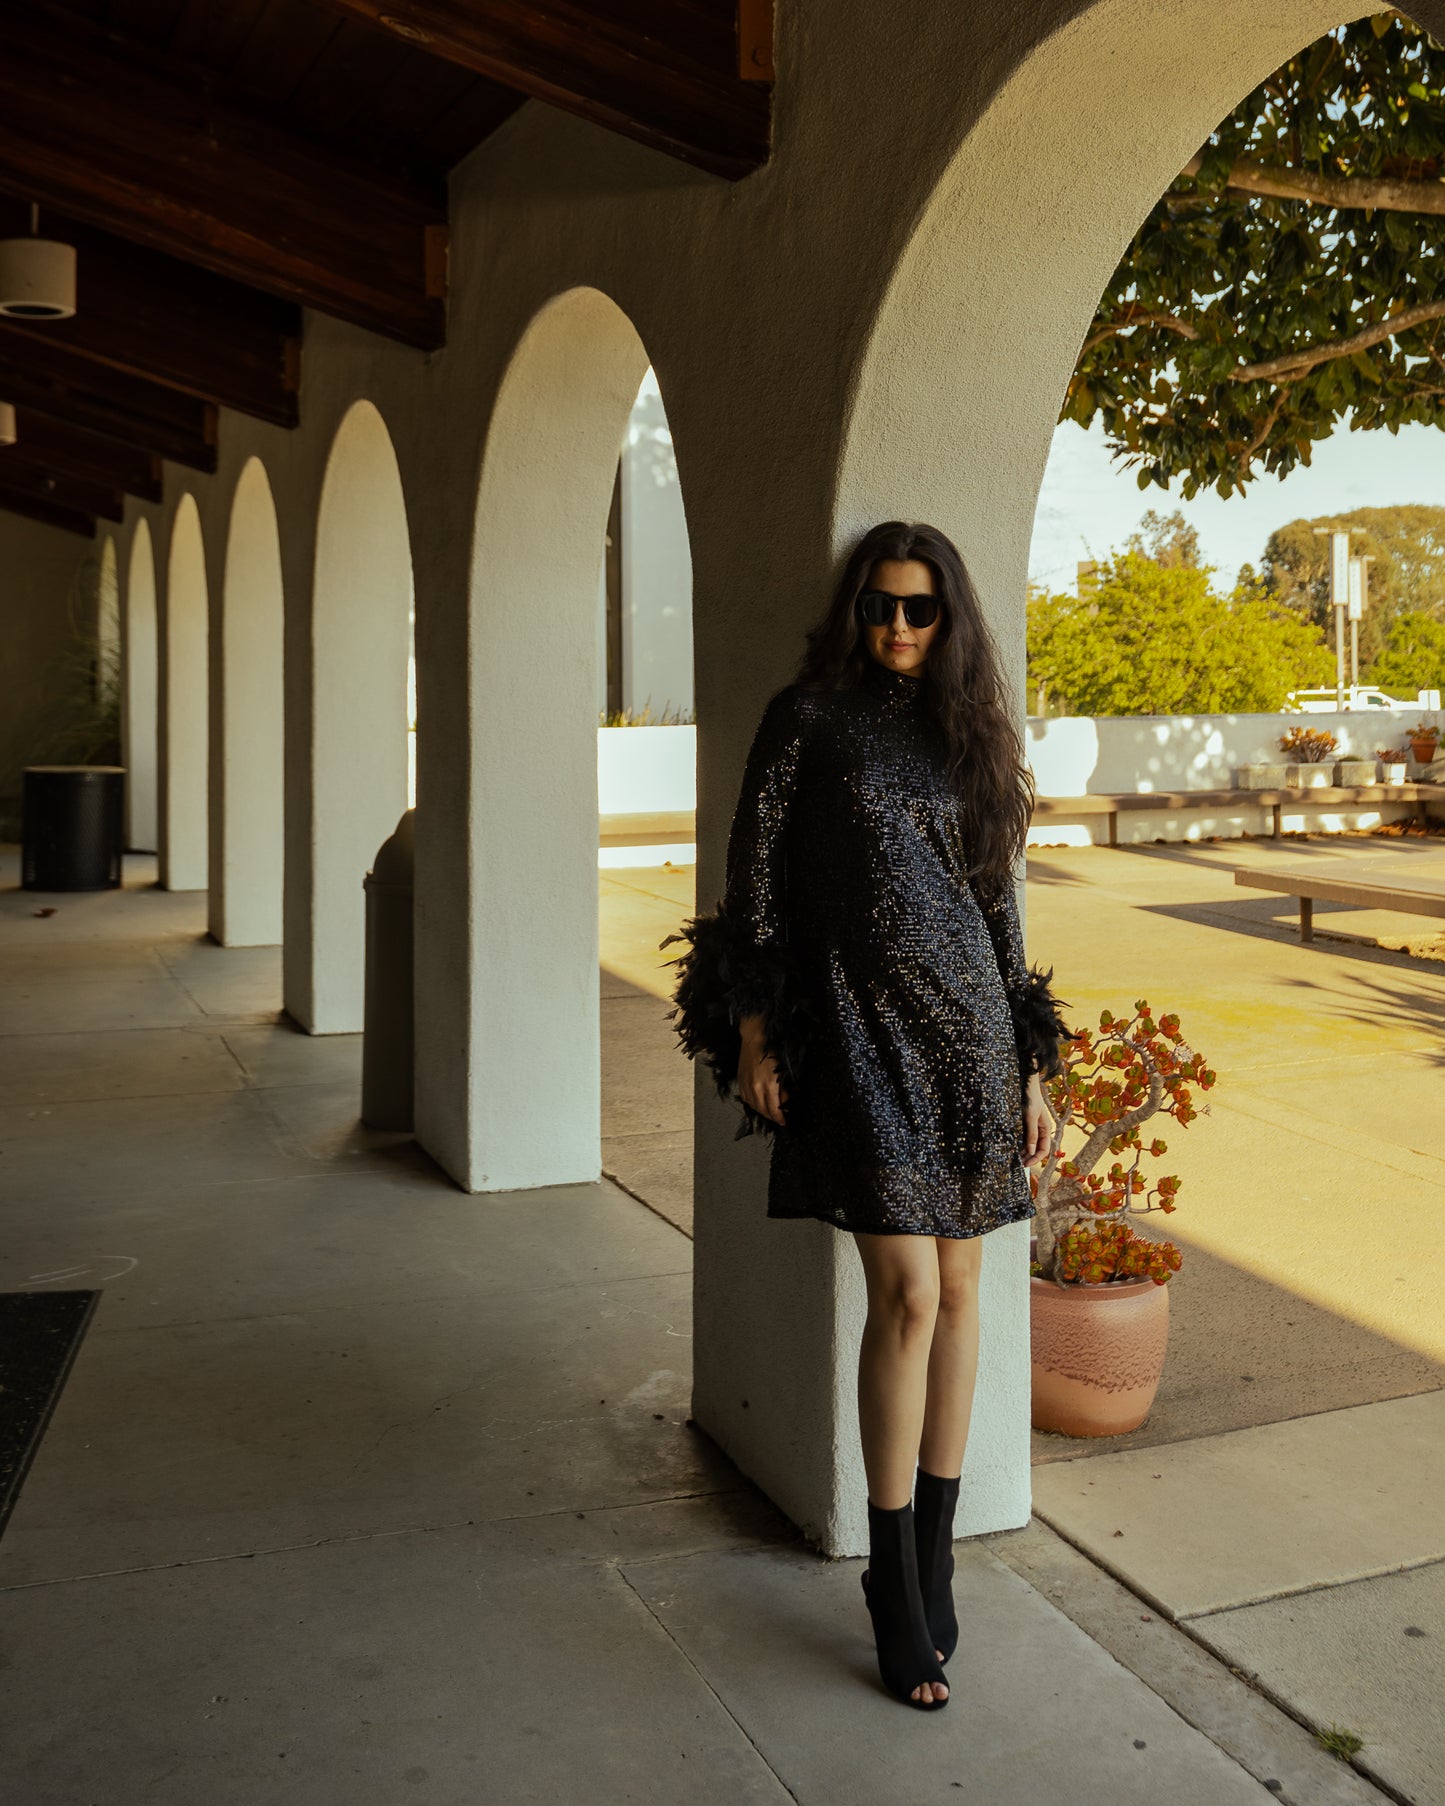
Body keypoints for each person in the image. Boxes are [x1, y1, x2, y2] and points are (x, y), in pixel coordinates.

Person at [660, 520, 1069, 1711]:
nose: (897, 627)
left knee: (962, 1290)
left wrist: (1026, 1069)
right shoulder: (805, 720)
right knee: (905, 1295)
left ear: (948, 618)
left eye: (919, 609)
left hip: (969, 1037)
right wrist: (753, 1031)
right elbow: (752, 887)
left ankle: (933, 1552)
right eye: (880, 606)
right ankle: (889, 1575)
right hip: (853, 1033)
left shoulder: (969, 730)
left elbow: (997, 909)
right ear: (854, 609)